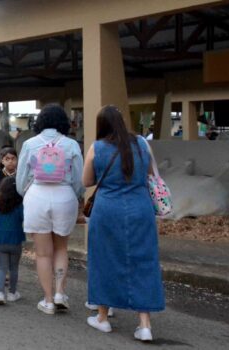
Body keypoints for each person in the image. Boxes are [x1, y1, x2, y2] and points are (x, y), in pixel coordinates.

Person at [83, 105, 164, 342]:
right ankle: (145, 324)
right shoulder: (141, 144)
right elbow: (151, 175)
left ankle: (102, 318)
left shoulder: (96, 148)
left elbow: (87, 180)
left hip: (107, 209)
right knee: (144, 260)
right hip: (141, 208)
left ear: (102, 126)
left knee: (104, 259)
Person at [16, 104, 85, 315]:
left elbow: (20, 179)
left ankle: (47, 300)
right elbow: (79, 181)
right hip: (64, 196)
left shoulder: (29, 144)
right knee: (61, 248)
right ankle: (60, 293)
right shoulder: (71, 145)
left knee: (43, 253)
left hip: (37, 196)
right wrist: (74, 195)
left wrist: (26, 193)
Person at [0, 176, 25, 305]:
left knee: (1, 268)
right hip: (16, 241)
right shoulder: (20, 206)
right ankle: (12, 293)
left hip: (1, 241)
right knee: (14, 268)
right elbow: (24, 221)